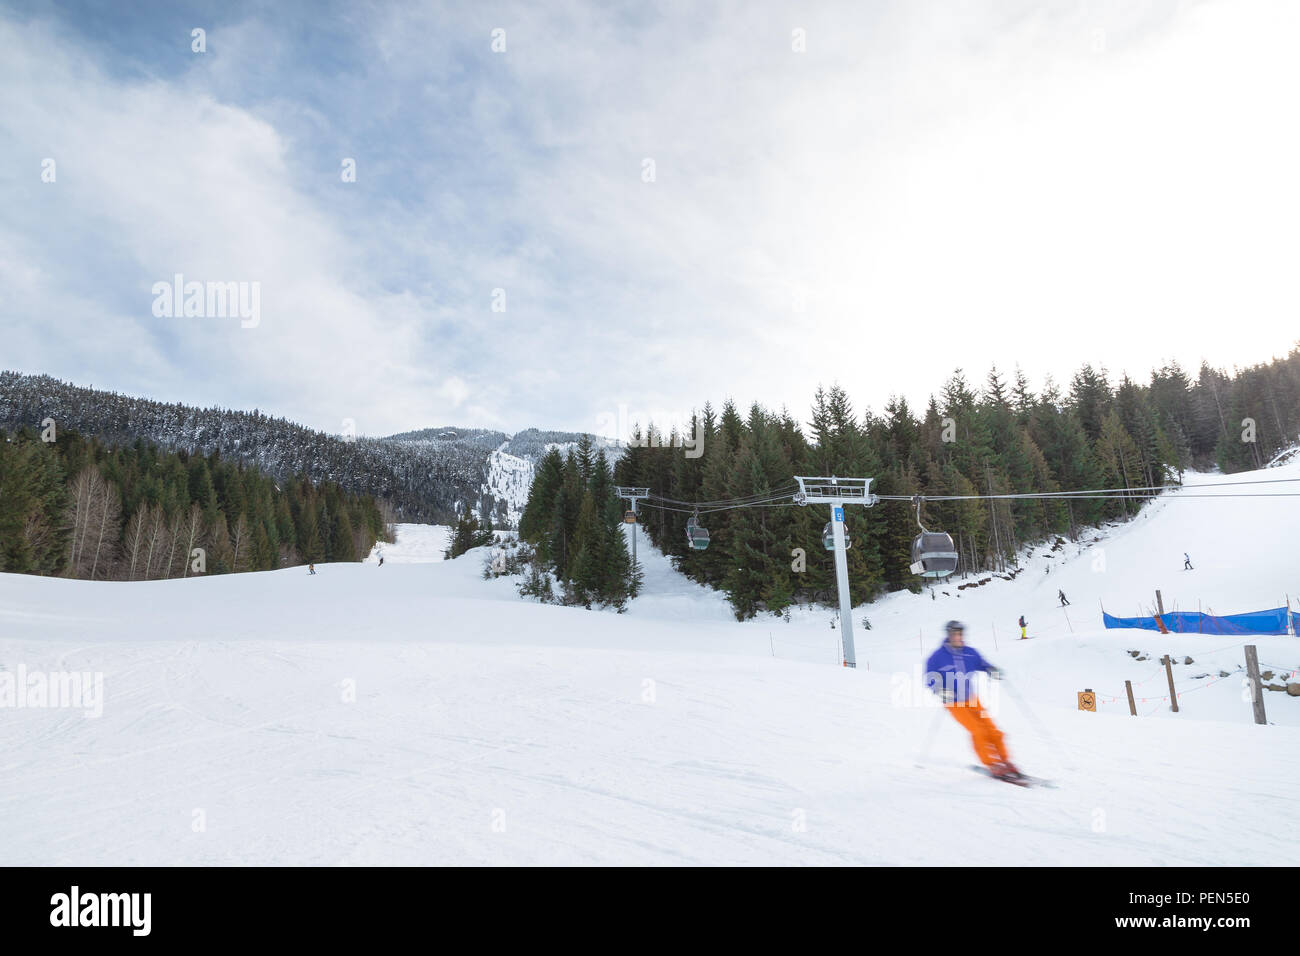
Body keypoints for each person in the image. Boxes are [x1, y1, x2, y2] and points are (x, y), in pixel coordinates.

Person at [925, 621, 1019, 779]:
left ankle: (1005, 761)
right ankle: (992, 764)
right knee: (978, 730)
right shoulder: (937, 657)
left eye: (960, 633)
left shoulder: (970, 652)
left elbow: (982, 664)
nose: (957, 636)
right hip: (954, 703)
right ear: (948, 635)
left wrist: (991, 670)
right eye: (954, 633)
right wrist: (940, 691)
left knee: (993, 729)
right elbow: (930, 677)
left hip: (973, 700)